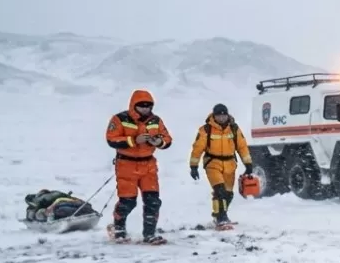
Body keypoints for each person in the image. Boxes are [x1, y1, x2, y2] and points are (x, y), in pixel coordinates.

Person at [105, 89, 173, 243]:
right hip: (126, 164)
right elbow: (111, 139)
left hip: (148, 165)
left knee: (153, 201)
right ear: (133, 105)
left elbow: (167, 139)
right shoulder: (120, 119)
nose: (145, 109)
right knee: (128, 201)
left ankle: (149, 234)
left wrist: (159, 142)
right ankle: (118, 228)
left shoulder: (155, 120)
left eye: (148, 106)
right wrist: (134, 140)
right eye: (142, 106)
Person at [188, 103, 254, 228]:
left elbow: (242, 147)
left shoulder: (234, 128)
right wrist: (193, 166)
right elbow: (197, 149)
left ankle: (219, 214)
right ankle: (221, 218)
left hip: (230, 164)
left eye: (224, 115)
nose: (222, 118)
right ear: (214, 115)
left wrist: (248, 164)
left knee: (228, 194)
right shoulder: (205, 130)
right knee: (220, 191)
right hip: (213, 163)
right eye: (219, 115)